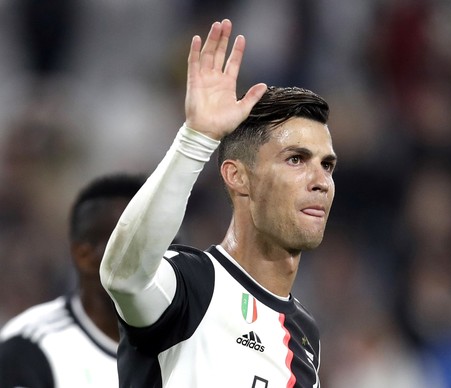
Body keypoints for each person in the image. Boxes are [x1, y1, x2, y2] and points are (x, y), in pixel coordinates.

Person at [99, 19, 336, 387]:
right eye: (295, 159)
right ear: (237, 176)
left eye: (327, 165)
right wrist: (196, 140)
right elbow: (123, 277)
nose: (321, 181)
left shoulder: (305, 337)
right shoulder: (194, 285)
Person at [0, 173, 146, 387]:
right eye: (133, 241)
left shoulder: (195, 338)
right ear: (85, 256)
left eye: (164, 240)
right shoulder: (32, 348)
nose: (153, 254)